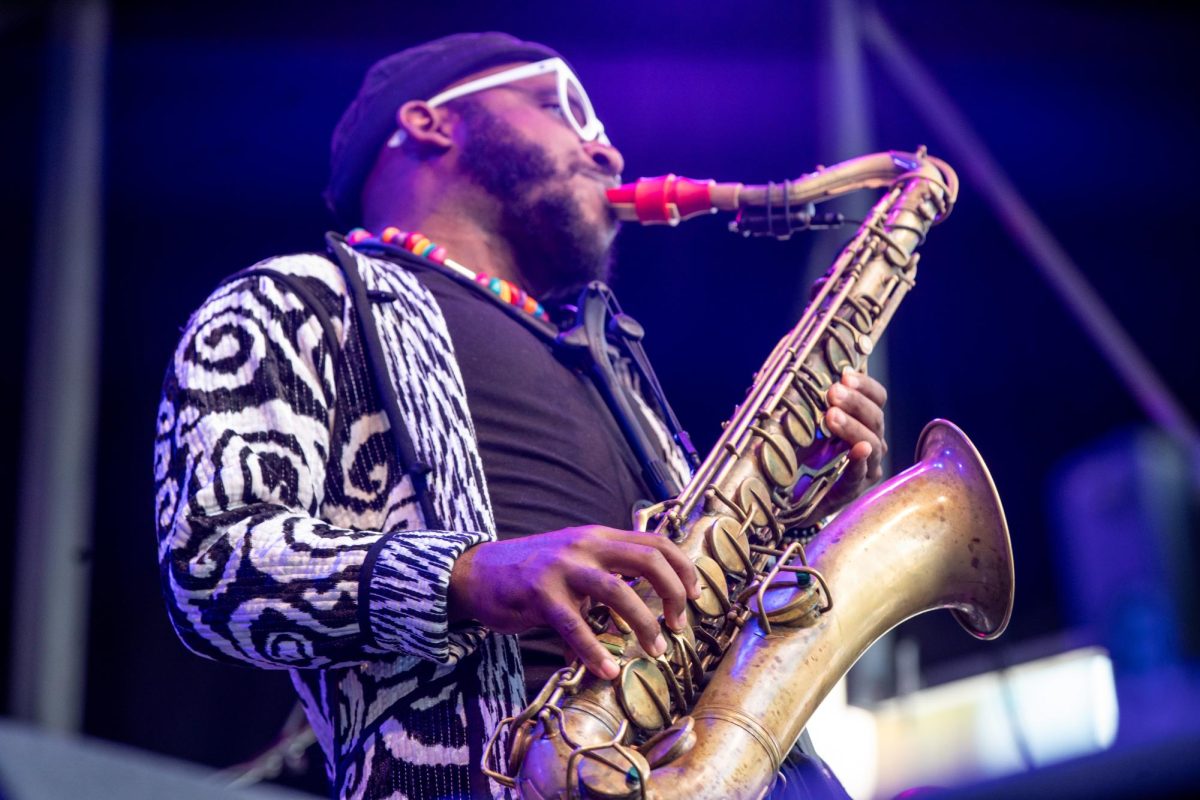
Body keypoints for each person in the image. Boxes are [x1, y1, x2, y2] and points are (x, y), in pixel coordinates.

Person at [154, 32, 888, 800]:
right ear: (429, 121)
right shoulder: (297, 299)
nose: (607, 152)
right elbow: (210, 564)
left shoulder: (606, 358)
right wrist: (469, 575)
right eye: (557, 107)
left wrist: (797, 506)